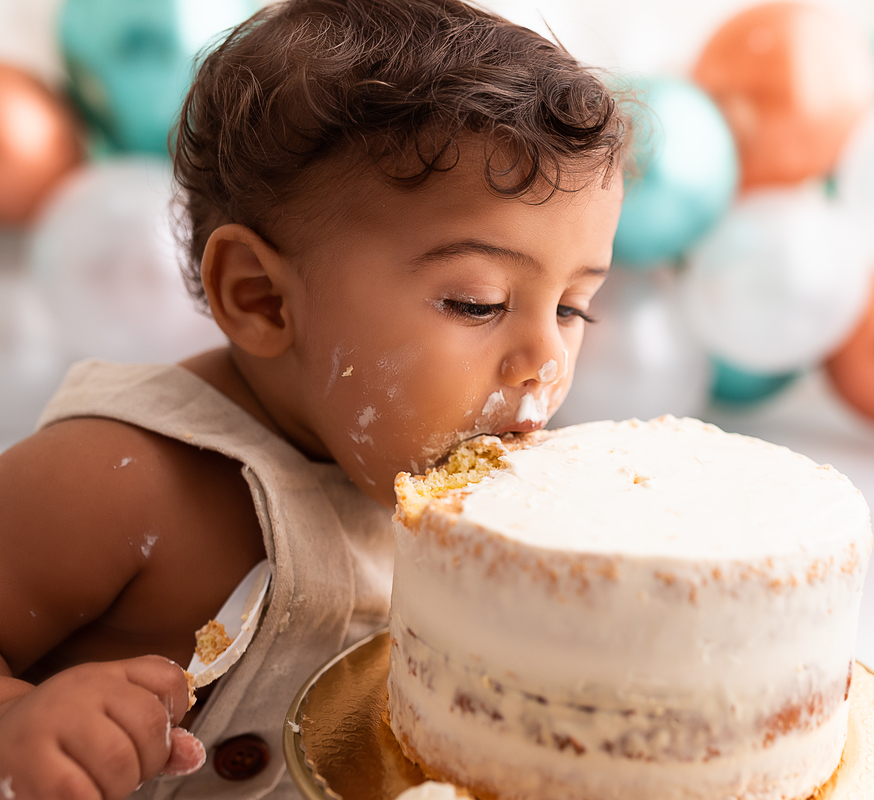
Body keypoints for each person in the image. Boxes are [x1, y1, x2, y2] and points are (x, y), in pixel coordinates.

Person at [0, 0, 628, 797]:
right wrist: (20, 724)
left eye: (573, 308)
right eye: (476, 303)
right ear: (261, 298)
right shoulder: (123, 477)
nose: (546, 361)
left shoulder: (467, 509)